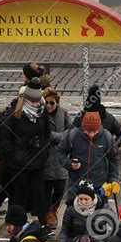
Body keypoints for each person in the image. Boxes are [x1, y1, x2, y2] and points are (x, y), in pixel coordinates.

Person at [0, 78, 51, 227]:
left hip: (37, 160)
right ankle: (15, 225)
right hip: (19, 162)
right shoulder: (15, 113)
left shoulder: (42, 112)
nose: (35, 104)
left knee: (38, 194)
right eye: (32, 101)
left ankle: (43, 225)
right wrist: (13, 156)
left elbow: (47, 133)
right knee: (19, 195)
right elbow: (5, 137)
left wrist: (44, 150)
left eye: (37, 101)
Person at [56, 111, 119, 204]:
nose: (91, 134)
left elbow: (114, 159)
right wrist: (69, 164)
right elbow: (60, 151)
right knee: (73, 215)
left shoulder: (107, 137)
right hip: (76, 186)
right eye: (88, 131)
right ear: (83, 127)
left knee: (98, 217)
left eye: (94, 131)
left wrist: (113, 179)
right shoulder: (73, 135)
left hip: (99, 187)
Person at [42, 87, 71, 229]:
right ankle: (48, 215)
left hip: (60, 159)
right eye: (46, 102)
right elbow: (42, 133)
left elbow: (71, 129)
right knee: (46, 191)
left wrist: (60, 137)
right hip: (45, 159)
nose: (48, 105)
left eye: (52, 103)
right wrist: (59, 137)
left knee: (60, 189)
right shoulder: (40, 114)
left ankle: (53, 211)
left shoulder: (63, 113)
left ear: (57, 103)